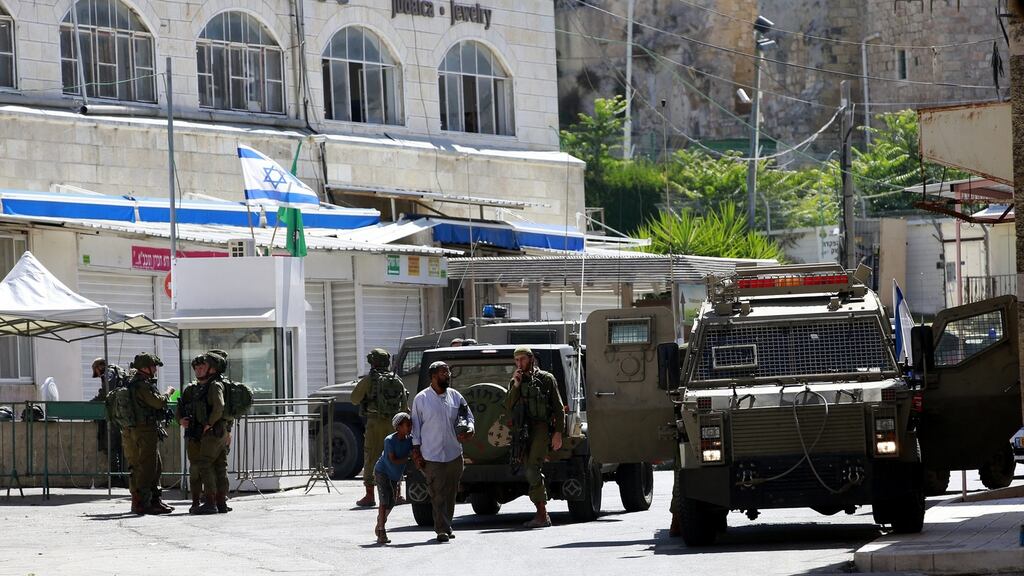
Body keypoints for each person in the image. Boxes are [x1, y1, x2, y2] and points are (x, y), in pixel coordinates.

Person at [411, 361, 474, 542]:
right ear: (433, 376)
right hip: (431, 456)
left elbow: (468, 416)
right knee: (437, 494)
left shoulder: (455, 396)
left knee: (450, 493)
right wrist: (416, 452)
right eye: (443, 372)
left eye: (448, 371)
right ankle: (441, 529)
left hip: (454, 454)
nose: (447, 375)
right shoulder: (421, 399)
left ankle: (447, 524)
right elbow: (415, 427)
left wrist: (470, 428)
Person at [504, 346, 565, 529]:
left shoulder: (546, 379)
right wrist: (515, 384)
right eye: (516, 360)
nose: (519, 363)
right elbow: (508, 405)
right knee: (528, 469)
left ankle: (542, 514)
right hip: (523, 430)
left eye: (522, 359)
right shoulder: (516, 380)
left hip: (541, 428)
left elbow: (559, 408)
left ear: (531, 359)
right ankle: (541, 511)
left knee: (532, 469)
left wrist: (558, 433)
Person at [351, 348, 409, 508]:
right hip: (394, 424)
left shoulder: (370, 380)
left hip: (374, 423)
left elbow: (354, 399)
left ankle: (370, 495)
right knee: (395, 454)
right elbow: (405, 406)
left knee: (371, 456)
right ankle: (397, 494)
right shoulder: (396, 379)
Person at [126, 352, 175, 515]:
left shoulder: (139, 383)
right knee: (147, 468)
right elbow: (158, 402)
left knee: (155, 466)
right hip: (144, 430)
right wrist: (168, 393)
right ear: (144, 367)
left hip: (145, 429)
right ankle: (143, 503)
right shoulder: (141, 385)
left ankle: (154, 499)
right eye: (153, 366)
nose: (155, 369)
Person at [374, 412, 414, 545]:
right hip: (383, 472)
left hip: (395, 475)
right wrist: (409, 458)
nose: (409, 427)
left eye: (410, 425)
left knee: (391, 502)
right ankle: (381, 530)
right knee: (384, 500)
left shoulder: (410, 440)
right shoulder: (389, 440)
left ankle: (381, 520)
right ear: (398, 427)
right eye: (406, 425)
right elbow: (393, 460)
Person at [90, 358, 130, 487]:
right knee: (117, 447)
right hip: (120, 414)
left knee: (112, 446)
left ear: (99, 367)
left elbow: (107, 393)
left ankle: (115, 478)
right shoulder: (116, 372)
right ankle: (119, 477)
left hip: (115, 415)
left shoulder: (109, 373)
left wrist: (92, 403)